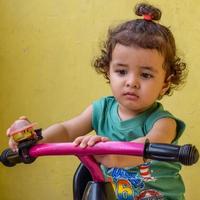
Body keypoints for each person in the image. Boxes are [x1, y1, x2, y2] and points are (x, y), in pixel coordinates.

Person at [7, 2, 188, 200]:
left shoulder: (163, 123)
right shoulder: (100, 110)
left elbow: (139, 149)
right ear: (108, 71)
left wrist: (107, 152)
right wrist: (35, 141)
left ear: (165, 83)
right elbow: (67, 130)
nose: (131, 82)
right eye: (121, 71)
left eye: (145, 75)